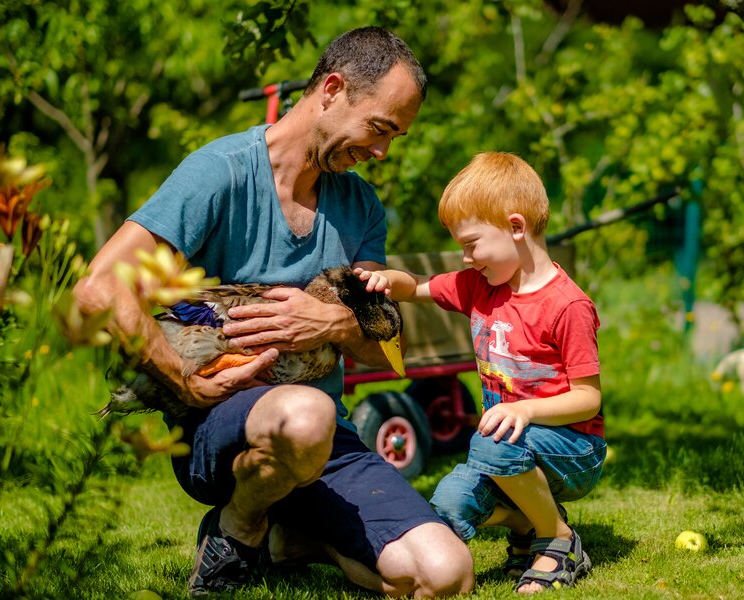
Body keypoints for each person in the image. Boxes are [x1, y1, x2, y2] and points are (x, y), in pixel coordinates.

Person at [74, 26, 473, 597]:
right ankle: (241, 525)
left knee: (446, 575)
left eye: (395, 138)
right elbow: (98, 287)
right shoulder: (221, 172)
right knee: (305, 415)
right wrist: (183, 382)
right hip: (223, 427)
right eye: (380, 129)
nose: (383, 152)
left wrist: (332, 323)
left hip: (324, 436)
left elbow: (387, 347)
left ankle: (295, 539)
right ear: (332, 89)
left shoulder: (360, 204)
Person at [355, 152, 606, 594]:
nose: (466, 258)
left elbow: (589, 399)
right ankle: (532, 521)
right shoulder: (479, 285)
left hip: (572, 446)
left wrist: (525, 411)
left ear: (515, 227)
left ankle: (559, 542)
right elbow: (416, 287)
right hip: (505, 445)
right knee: (446, 507)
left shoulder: (568, 306)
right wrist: (391, 281)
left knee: (493, 442)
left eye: (472, 244)